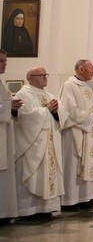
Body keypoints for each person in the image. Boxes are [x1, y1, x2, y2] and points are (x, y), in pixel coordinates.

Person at [14, 66, 67, 218]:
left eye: (46, 74)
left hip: (50, 140)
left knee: (48, 173)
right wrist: (46, 110)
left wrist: (56, 112)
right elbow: (24, 116)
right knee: (36, 173)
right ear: (30, 78)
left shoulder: (49, 94)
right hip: (34, 142)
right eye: (41, 75)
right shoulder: (24, 93)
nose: (45, 77)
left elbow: (63, 113)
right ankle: (29, 210)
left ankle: (46, 208)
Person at [58, 59, 93, 211]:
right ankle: (71, 200)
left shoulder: (88, 88)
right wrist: (92, 118)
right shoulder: (69, 86)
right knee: (74, 165)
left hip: (88, 132)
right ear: (81, 70)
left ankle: (86, 197)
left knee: (89, 164)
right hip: (74, 133)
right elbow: (70, 110)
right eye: (91, 68)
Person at [0, 49, 20, 223]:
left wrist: (10, 107)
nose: (4, 64)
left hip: (3, 133)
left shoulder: (1, 83)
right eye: (1, 61)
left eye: (5, 61)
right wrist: (8, 106)